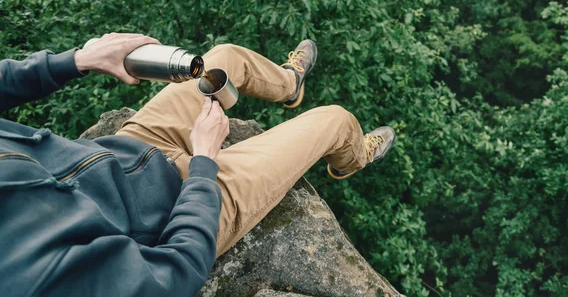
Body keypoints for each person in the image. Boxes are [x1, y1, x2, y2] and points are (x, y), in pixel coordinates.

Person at [0, 33, 396, 296]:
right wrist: (205, 162)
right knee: (336, 120)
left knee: (222, 58)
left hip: (126, 149)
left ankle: (289, 84)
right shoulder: (20, 274)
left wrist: (78, 59)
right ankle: (352, 158)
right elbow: (170, 278)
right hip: (180, 205)